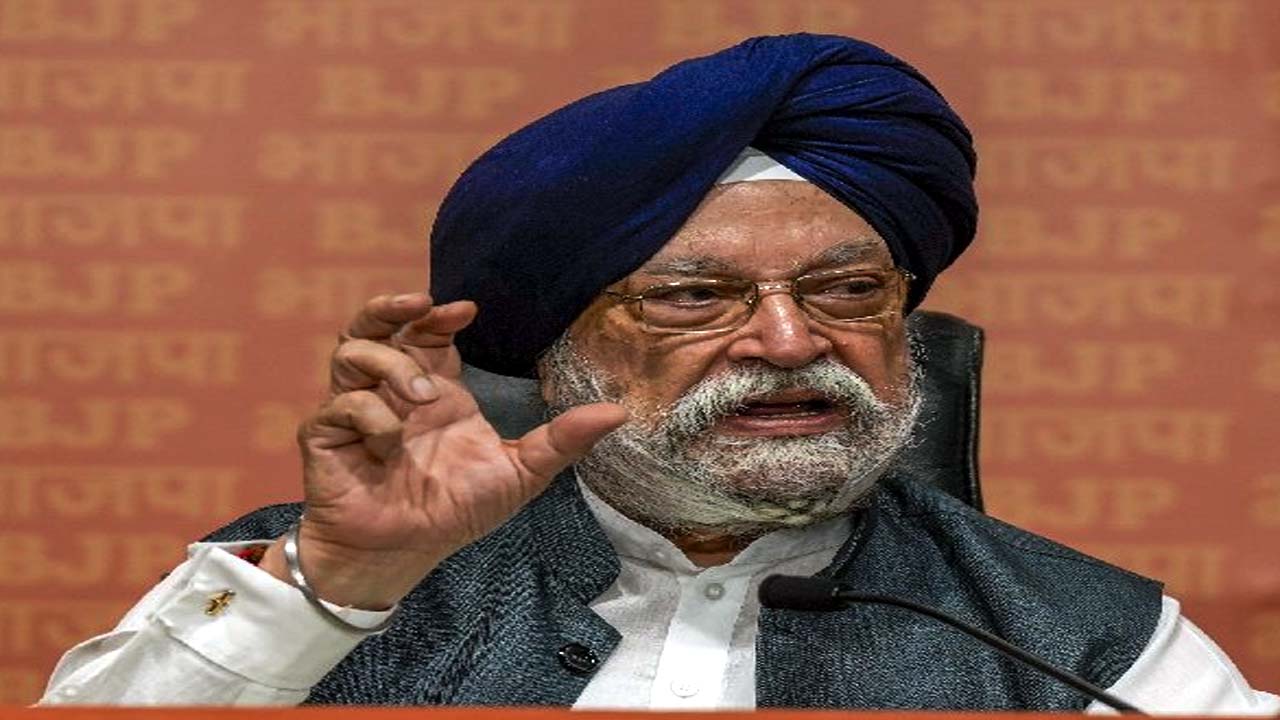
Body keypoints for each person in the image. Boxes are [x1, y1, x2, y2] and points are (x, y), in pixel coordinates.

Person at [40, 33, 1278, 712]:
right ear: (557, 351)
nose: (787, 342)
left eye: (848, 291)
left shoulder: (1082, 638)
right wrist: (340, 589)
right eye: (693, 297)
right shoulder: (312, 574)